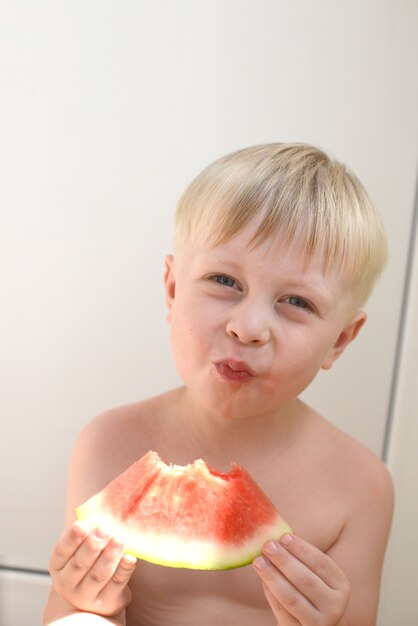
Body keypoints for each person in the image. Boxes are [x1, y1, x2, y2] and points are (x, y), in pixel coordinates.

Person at [44, 143, 394, 626]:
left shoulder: (360, 487)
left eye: (296, 301)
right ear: (171, 289)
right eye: (225, 281)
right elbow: (64, 616)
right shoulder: (107, 443)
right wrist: (83, 603)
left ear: (340, 340)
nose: (248, 326)